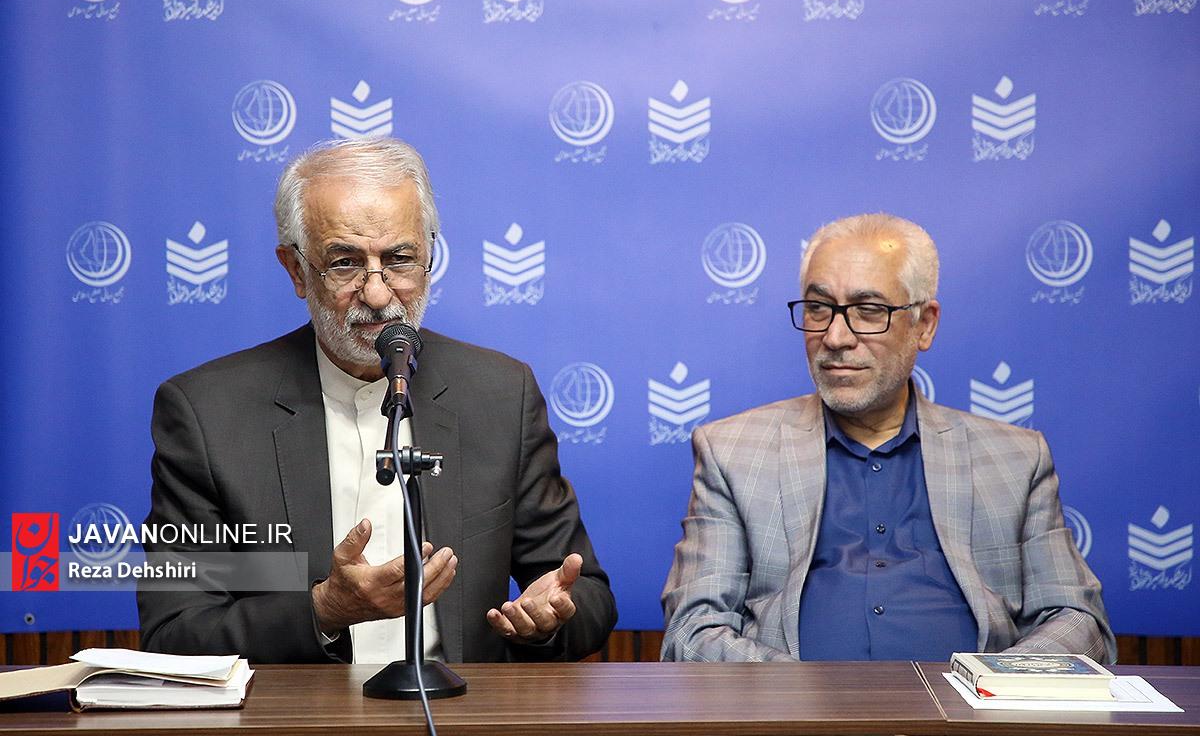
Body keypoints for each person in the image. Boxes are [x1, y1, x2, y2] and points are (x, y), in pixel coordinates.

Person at [138, 137, 616, 663]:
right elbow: (176, 632)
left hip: (459, 707)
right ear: (296, 270)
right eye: (345, 263)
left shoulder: (501, 395)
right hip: (297, 710)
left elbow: (588, 598)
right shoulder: (208, 414)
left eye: (400, 259)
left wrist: (545, 621)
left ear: (429, 256)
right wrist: (323, 610)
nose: (378, 294)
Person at [661, 213, 1114, 663]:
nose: (836, 337)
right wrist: (802, 692)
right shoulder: (732, 453)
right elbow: (692, 630)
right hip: (793, 706)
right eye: (819, 308)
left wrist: (994, 683)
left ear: (924, 324)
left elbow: (1079, 622)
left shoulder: (1016, 459)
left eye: (869, 311)